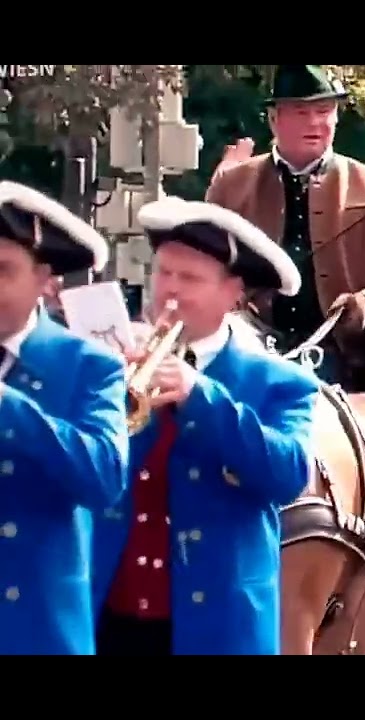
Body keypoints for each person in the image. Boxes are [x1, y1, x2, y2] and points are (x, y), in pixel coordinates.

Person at [91, 197, 322, 655]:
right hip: (107, 617)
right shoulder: (111, 364)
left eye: (190, 278)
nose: (168, 291)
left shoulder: (279, 382)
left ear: (234, 293)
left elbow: (290, 475)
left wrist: (201, 396)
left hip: (215, 627)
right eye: (163, 273)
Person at [205, 64, 365, 388]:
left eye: (324, 111)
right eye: (301, 112)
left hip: (340, 355)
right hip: (247, 346)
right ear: (274, 118)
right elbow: (204, 268)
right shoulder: (230, 187)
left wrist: (363, 305)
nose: (315, 122)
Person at [0, 181, 130, 655]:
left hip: (37, 630)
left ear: (44, 281)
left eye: (2, 272)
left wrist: (9, 407)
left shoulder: (88, 365)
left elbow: (104, 475)